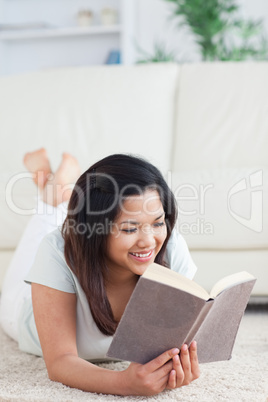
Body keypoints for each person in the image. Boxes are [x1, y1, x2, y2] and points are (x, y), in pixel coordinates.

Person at [0, 148, 200, 396]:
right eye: (130, 229)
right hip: (22, 308)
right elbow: (60, 362)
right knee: (45, 222)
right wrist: (125, 383)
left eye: (158, 222)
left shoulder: (170, 247)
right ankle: (54, 192)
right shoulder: (57, 251)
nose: (149, 241)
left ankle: (57, 188)